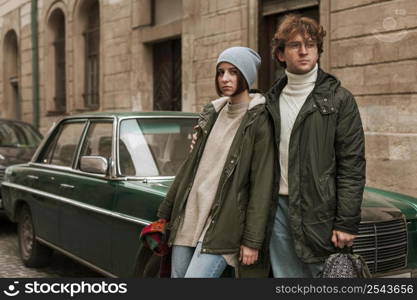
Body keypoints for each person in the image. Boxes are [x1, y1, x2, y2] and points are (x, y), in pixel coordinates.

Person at [157, 47, 275, 278]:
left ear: (247, 76)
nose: (225, 79)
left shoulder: (259, 119)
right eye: (221, 72)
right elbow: (190, 168)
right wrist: (166, 210)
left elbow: (262, 184)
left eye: (233, 72)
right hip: (190, 215)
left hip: (223, 224)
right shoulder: (212, 112)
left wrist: (252, 240)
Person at [265, 14, 366, 277]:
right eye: (295, 45)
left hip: (320, 211)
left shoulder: (339, 99)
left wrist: (346, 221)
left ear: (318, 51)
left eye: (310, 45)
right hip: (278, 211)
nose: (303, 51)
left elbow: (352, 165)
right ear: (280, 54)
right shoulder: (268, 102)